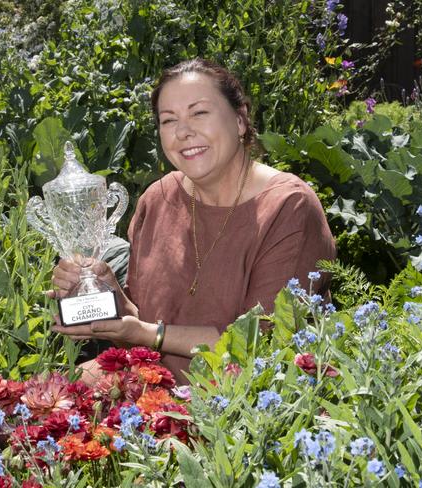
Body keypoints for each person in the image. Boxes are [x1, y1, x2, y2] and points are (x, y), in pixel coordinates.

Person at [48, 58, 335, 384]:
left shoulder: (288, 207)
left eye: (199, 113)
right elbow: (140, 330)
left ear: (240, 120)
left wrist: (148, 334)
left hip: (243, 412)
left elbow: (262, 345)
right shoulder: (157, 200)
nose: (183, 131)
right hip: (147, 397)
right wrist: (109, 299)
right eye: (168, 120)